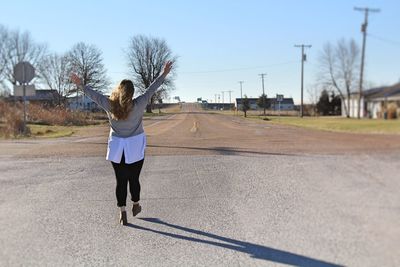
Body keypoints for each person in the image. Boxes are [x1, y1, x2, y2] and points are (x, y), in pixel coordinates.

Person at [71, 61, 173, 225]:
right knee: (134, 179)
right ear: (132, 93)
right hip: (135, 147)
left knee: (121, 181)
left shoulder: (110, 105)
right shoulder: (139, 104)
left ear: (119, 91)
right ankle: (136, 203)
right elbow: (152, 88)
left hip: (118, 148)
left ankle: (122, 211)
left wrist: (80, 84)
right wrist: (164, 73)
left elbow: (94, 95)